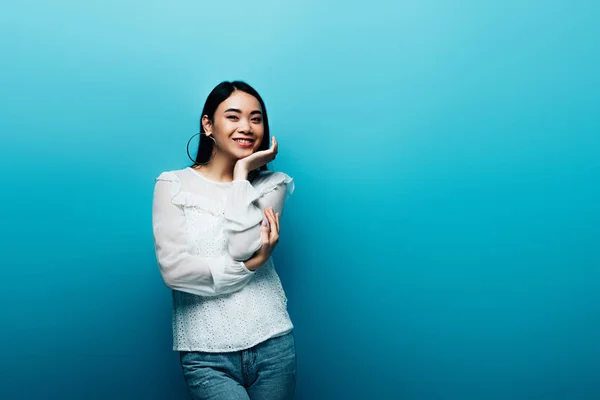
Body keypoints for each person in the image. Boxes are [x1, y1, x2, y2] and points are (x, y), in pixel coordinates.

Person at [151, 81, 297, 399]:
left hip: (272, 340)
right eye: (233, 116)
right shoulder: (172, 184)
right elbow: (174, 272)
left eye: (256, 118)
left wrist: (242, 173)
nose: (246, 127)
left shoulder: (273, 184)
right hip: (204, 354)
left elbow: (243, 247)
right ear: (208, 125)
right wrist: (249, 268)